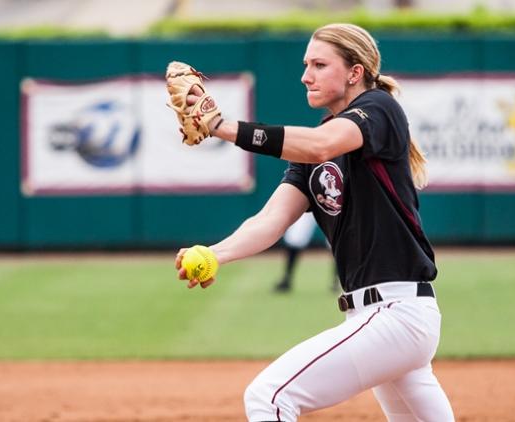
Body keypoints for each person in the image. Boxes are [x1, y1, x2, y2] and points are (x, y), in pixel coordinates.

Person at [175, 22, 454, 422]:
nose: (306, 75)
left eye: (320, 64)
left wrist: (222, 128)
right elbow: (271, 220)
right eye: (307, 64)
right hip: (380, 320)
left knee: (268, 398)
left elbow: (324, 143)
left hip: (396, 313)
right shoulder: (314, 147)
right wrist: (215, 254)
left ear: (355, 72)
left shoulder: (380, 109)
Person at [273, 212, 338, 293]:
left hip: (332, 203)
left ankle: (337, 281)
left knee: (337, 240)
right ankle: (286, 279)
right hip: (309, 204)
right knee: (295, 238)